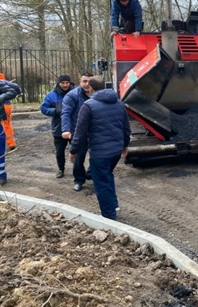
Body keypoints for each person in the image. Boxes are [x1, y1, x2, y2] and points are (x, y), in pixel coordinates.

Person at [69, 76, 131, 220]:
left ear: (90, 87)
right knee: (107, 176)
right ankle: (113, 204)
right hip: (116, 151)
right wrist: (125, 146)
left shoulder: (88, 106)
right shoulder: (119, 103)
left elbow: (80, 132)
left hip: (100, 152)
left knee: (101, 183)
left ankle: (109, 217)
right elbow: (126, 128)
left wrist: (73, 150)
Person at [61, 72, 93, 191]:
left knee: (97, 156)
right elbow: (66, 113)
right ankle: (79, 180)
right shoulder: (72, 96)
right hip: (78, 132)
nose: (87, 84)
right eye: (84, 81)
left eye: (89, 81)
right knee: (78, 158)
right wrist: (66, 129)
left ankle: (91, 174)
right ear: (80, 82)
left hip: (94, 131)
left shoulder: (97, 95)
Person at [40, 74, 74, 178]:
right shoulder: (51, 95)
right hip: (58, 127)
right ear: (58, 83)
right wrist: (55, 111)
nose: (65, 85)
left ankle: (77, 169)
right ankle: (61, 169)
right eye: (62, 83)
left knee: (76, 150)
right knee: (59, 151)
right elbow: (43, 108)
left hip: (74, 127)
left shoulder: (75, 93)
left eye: (67, 83)